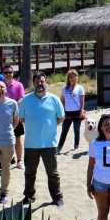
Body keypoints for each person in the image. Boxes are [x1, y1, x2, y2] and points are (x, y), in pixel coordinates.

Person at [19, 72, 65, 206]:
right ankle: (29, 196)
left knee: (53, 173)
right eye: (37, 81)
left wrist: (48, 127)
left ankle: (57, 197)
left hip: (49, 144)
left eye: (42, 81)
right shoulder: (26, 100)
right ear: (33, 83)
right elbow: (22, 118)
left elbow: (60, 117)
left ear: (46, 83)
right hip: (31, 144)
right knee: (29, 173)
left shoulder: (54, 99)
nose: (40, 83)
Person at [2, 64, 26, 168]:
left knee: (17, 138)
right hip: (3, 117)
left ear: (13, 73)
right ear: (3, 74)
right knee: (3, 140)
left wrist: (12, 106)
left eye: (10, 72)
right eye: (6, 72)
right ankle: (8, 159)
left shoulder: (19, 85)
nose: (8, 74)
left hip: (16, 116)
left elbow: (21, 98)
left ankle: (19, 160)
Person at [58, 69, 85, 153]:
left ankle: (76, 146)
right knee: (64, 130)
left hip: (77, 112)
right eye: (70, 77)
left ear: (77, 77)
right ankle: (59, 147)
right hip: (67, 112)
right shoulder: (64, 88)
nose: (72, 78)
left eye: (74, 77)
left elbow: (82, 101)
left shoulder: (80, 88)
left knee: (76, 130)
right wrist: (62, 111)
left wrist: (82, 110)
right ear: (68, 78)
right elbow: (62, 100)